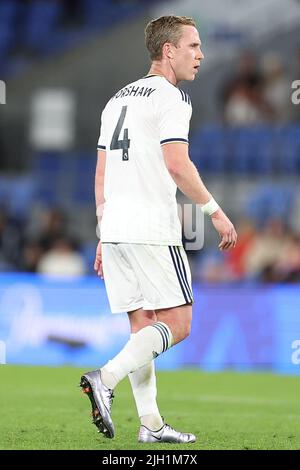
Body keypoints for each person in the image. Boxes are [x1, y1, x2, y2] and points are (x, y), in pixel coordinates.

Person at [80, 15, 237, 444]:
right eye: (193, 46)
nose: (201, 55)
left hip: (114, 227)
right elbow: (176, 163)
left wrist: (102, 229)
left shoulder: (115, 100)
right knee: (179, 323)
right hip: (152, 227)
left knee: (143, 327)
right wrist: (214, 212)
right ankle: (105, 378)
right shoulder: (172, 97)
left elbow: (100, 172)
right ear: (168, 51)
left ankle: (150, 425)